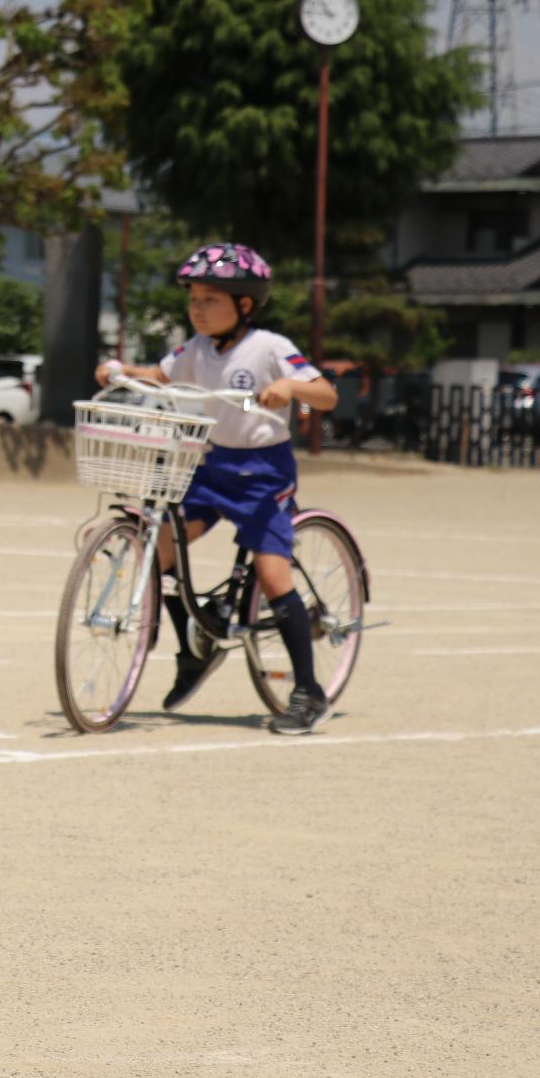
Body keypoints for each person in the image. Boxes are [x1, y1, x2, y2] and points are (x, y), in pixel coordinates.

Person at [95, 242, 340, 736]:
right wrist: (120, 372)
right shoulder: (195, 349)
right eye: (193, 300)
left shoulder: (269, 347)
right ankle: (193, 648)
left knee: (273, 578)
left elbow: (325, 393)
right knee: (161, 552)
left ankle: (307, 691)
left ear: (244, 304)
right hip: (207, 468)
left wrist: (290, 389)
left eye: (211, 300)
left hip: (263, 476)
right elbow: (161, 376)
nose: (198, 309)